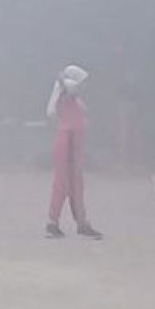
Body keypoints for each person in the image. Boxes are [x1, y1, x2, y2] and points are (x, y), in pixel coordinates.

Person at [45, 65, 103, 240]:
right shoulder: (66, 95)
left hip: (73, 144)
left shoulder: (74, 100)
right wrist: (62, 79)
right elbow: (68, 87)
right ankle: (54, 221)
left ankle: (80, 222)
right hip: (67, 143)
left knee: (76, 184)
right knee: (63, 184)